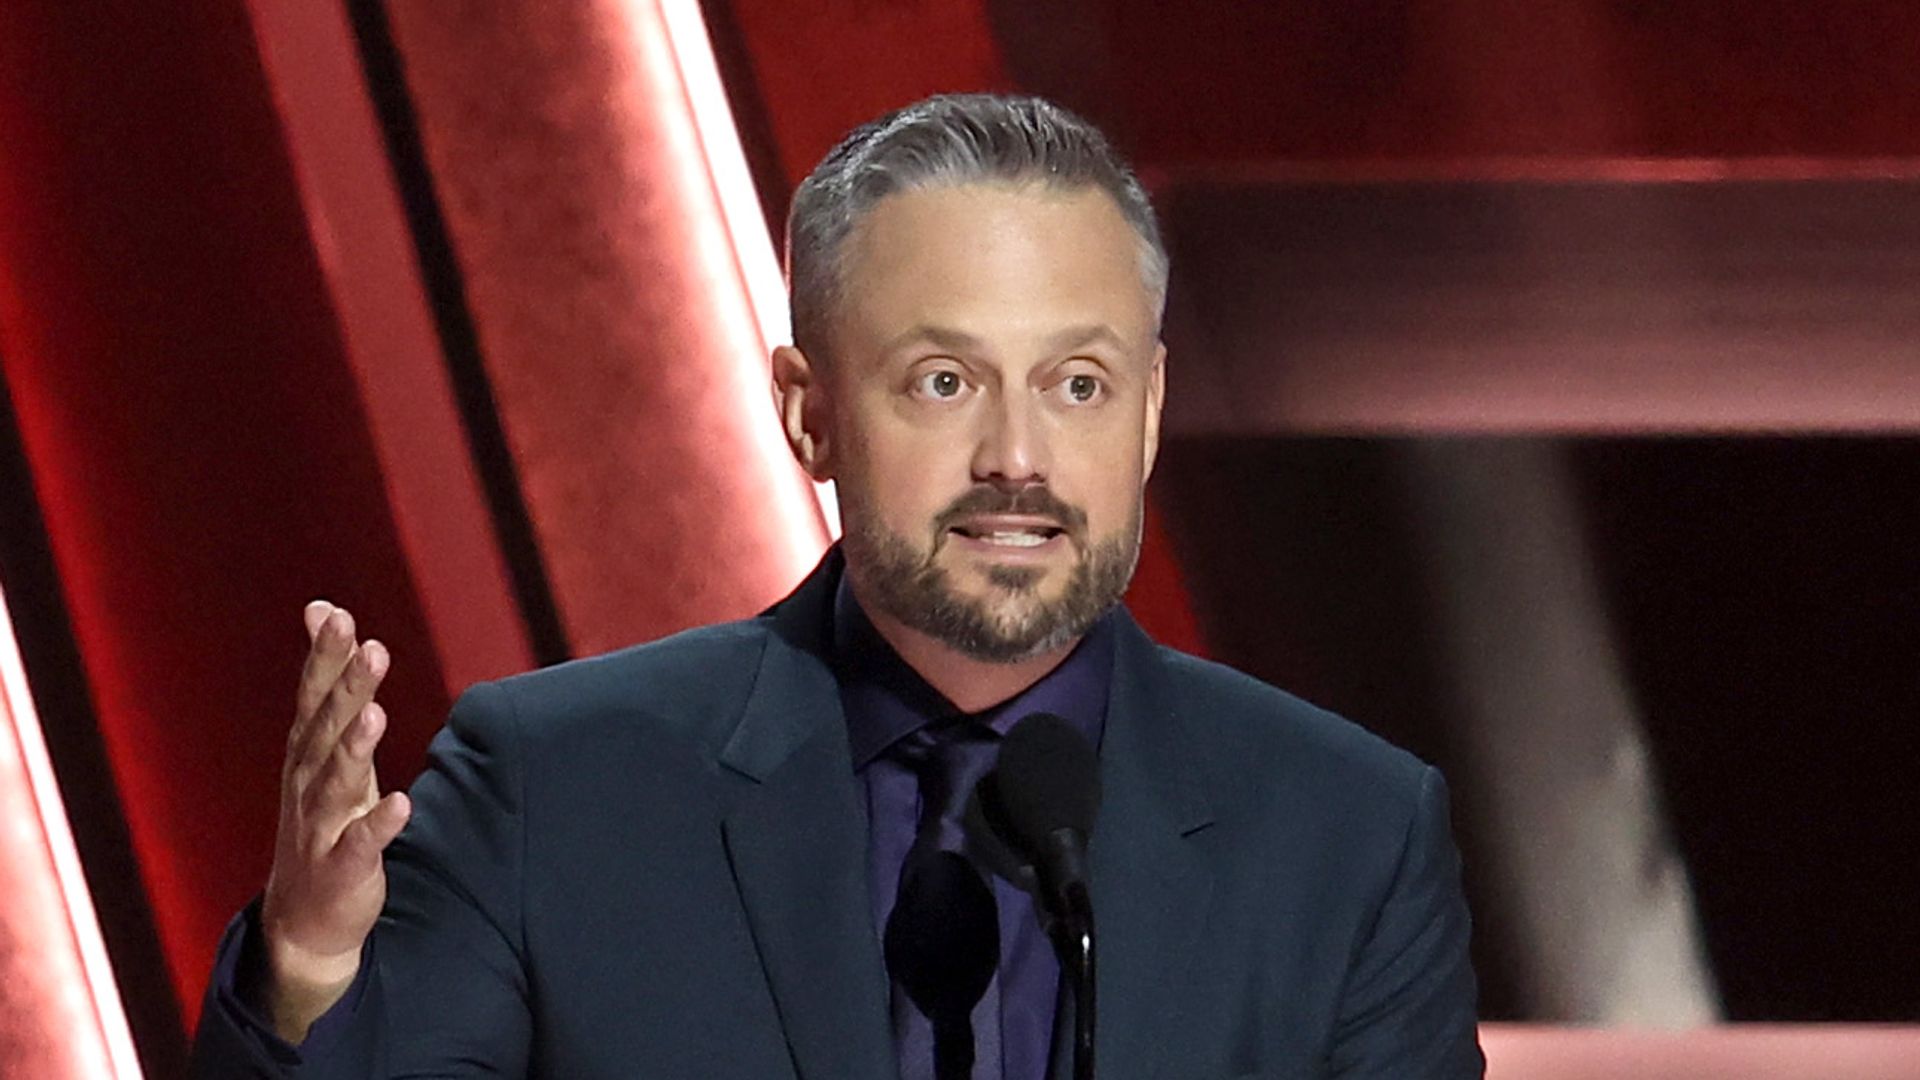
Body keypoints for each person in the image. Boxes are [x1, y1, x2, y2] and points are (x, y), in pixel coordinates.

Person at [190, 93, 1483, 1079]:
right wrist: (308, 965)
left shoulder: (1348, 838)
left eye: (1077, 385)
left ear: (1148, 414)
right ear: (808, 415)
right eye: (943, 381)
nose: (1016, 459)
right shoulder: (554, 789)